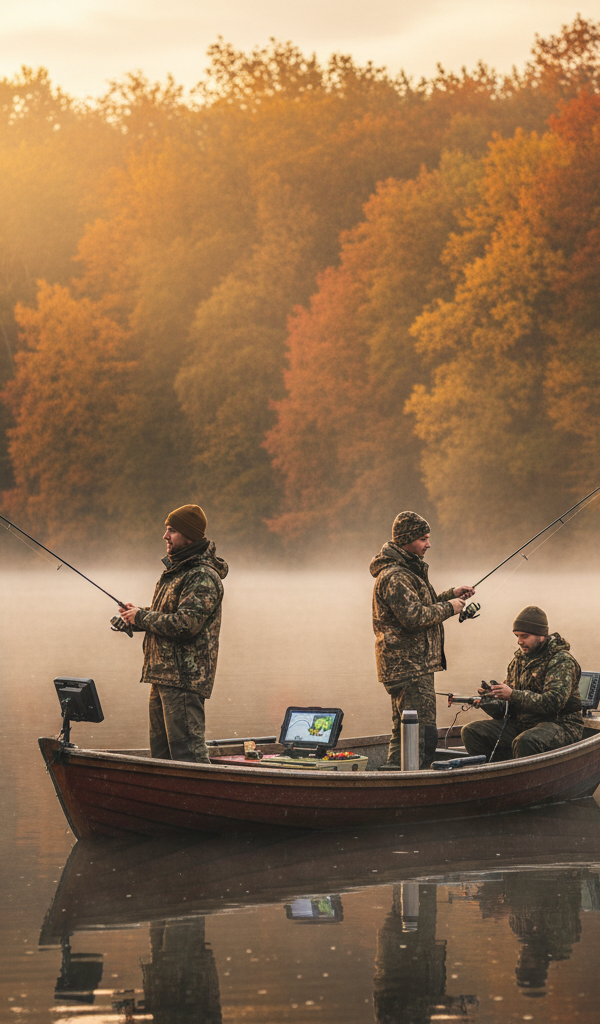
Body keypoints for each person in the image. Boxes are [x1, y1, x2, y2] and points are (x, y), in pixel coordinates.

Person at [118, 504, 228, 763]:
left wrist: (143, 618)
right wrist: (136, 617)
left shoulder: (202, 575)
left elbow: (186, 623)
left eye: (171, 531)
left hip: (184, 680)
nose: (165, 536)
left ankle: (201, 801)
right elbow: (168, 613)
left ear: (188, 536)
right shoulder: (177, 571)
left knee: (188, 757)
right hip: (162, 676)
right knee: (162, 758)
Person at [370, 511, 475, 769]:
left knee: (405, 730)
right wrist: (451, 607)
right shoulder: (396, 575)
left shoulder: (408, 570)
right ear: (407, 539)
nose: (428, 544)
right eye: (423, 539)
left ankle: (394, 775)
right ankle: (409, 783)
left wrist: (452, 594)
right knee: (422, 735)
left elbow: (419, 606)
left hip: (412, 667)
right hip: (409, 668)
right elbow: (414, 617)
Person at [461, 605, 583, 760]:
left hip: (560, 726)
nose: (519, 641)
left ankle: (521, 780)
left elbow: (553, 703)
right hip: (525, 725)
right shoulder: (517, 662)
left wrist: (512, 695)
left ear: (541, 635)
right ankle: (496, 777)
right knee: (471, 732)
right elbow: (505, 710)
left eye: (524, 636)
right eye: (517, 636)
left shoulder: (561, 661)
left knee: (526, 741)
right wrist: (488, 699)